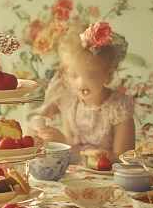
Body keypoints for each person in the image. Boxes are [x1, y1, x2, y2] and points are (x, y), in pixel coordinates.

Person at [35, 21, 136, 163]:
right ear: (65, 74)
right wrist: (60, 140)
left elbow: (124, 158)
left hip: (110, 172)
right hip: (77, 171)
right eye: (74, 75)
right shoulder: (69, 101)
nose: (81, 83)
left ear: (108, 74)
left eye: (92, 75)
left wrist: (66, 143)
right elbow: (71, 145)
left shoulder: (119, 107)